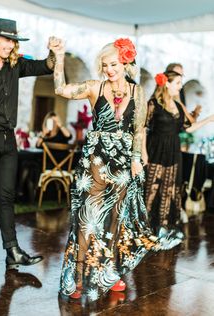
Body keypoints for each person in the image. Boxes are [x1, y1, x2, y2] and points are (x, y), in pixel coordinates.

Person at [50, 37, 161, 301]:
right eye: (104, 65)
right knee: (87, 220)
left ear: (124, 62)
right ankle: (78, 278)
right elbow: (61, 89)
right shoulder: (94, 87)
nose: (109, 69)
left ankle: (108, 273)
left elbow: (138, 130)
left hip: (122, 165)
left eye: (113, 64)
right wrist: (59, 57)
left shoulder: (138, 92)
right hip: (95, 164)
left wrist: (136, 158)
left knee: (115, 221)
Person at [0, 17, 58, 271]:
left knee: (6, 196)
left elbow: (46, 66)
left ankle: (12, 251)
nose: (10, 46)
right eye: (6, 40)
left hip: (8, 140)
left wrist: (54, 52)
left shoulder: (16, 65)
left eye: (13, 41)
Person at [143, 70, 214, 248]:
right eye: (178, 83)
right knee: (151, 191)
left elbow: (188, 128)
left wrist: (208, 120)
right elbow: (142, 129)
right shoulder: (153, 104)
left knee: (169, 191)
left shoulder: (178, 105)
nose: (180, 86)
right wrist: (143, 152)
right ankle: (144, 230)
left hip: (173, 153)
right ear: (167, 83)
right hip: (156, 151)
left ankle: (163, 229)